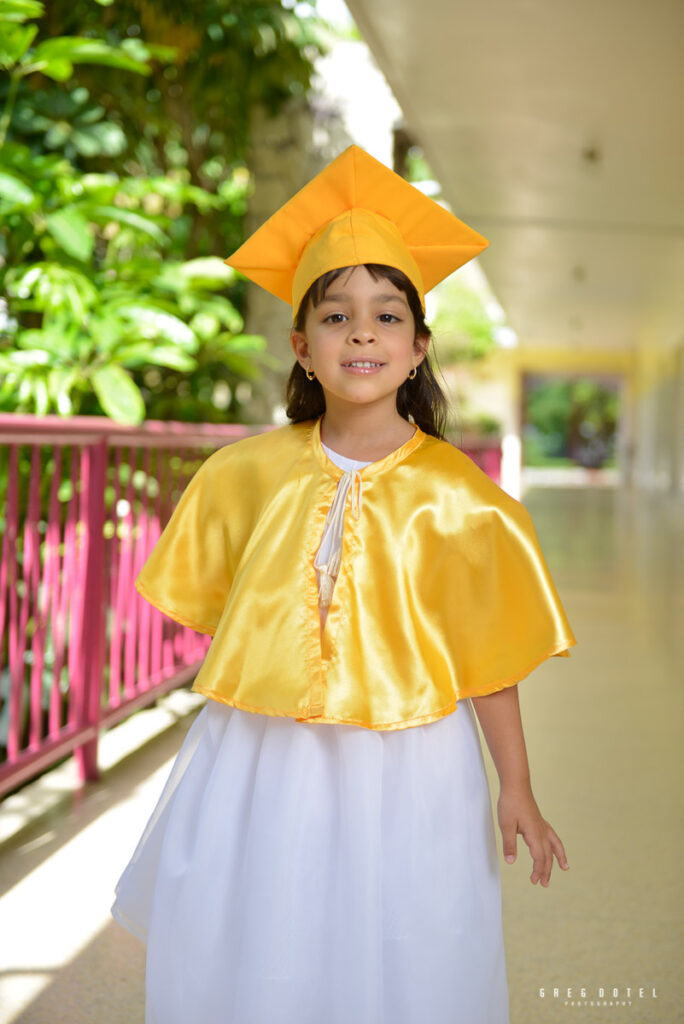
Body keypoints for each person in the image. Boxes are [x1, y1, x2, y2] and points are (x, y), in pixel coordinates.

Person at [112, 145, 576, 1024]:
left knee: (397, 930)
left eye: (387, 315)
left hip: (409, 759)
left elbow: (489, 663)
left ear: (418, 347)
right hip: (264, 756)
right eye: (336, 315)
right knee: (260, 920)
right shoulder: (243, 474)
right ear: (302, 344)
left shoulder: (462, 502)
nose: (362, 333)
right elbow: (226, 618)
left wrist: (516, 785)